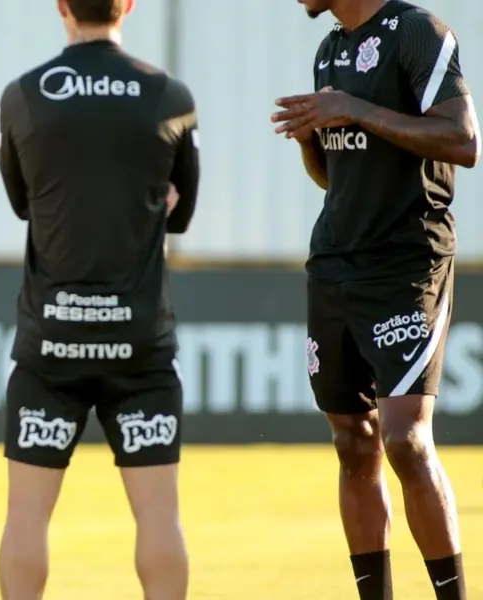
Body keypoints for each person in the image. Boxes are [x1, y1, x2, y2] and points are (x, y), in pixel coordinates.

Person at [0, 1, 199, 598]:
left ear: (62, 6)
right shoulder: (171, 96)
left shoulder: (23, 95)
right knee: (160, 517)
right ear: (128, 5)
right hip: (140, 345)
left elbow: (21, 202)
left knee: (26, 518)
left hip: (50, 340)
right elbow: (181, 214)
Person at [272, 1, 478, 599]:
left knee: (406, 441)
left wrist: (353, 109)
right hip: (335, 261)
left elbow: (463, 140)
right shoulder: (330, 49)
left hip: (406, 262)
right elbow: (334, 176)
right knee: (351, 439)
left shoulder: (419, 33)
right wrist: (312, 138)